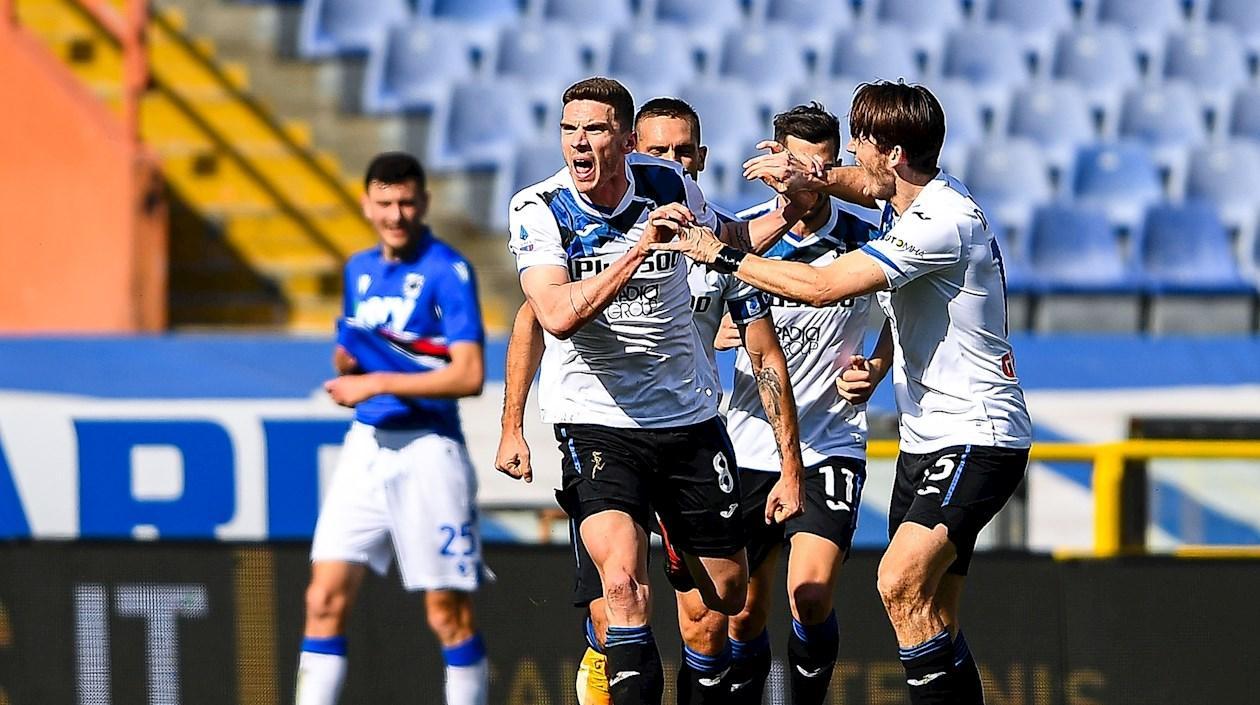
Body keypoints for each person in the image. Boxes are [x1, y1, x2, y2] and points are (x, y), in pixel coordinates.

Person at [656, 81, 1034, 705]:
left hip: (977, 433)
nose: (853, 155)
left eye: (861, 143)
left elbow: (823, 287)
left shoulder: (941, 222)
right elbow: (861, 185)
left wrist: (720, 253)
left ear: (892, 153)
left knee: (898, 583)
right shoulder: (916, 197)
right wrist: (811, 176)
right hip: (926, 438)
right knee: (934, 613)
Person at [496, 96, 807, 705]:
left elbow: (729, 239)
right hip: (595, 420)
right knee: (621, 591)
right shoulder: (539, 207)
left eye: (595, 129)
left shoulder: (668, 185)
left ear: (623, 142)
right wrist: (514, 427)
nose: (579, 142)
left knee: (729, 594)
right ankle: (607, 646)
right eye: (569, 129)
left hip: (687, 419)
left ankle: (676, 550)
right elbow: (549, 316)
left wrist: (794, 205)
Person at [296, 152, 489, 705]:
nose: (396, 215)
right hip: (366, 446)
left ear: (424, 202)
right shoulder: (358, 269)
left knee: (447, 613)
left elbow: (469, 374)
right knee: (323, 600)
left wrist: (377, 383)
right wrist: (349, 362)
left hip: (429, 448)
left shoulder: (447, 270)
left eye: (406, 202)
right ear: (366, 204)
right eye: (384, 203)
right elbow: (364, 349)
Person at [715, 102, 878, 705]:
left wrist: (877, 368)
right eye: (797, 167)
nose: (808, 181)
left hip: (829, 441)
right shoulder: (739, 239)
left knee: (809, 595)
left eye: (822, 168)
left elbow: (905, 317)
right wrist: (714, 332)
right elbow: (687, 325)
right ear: (772, 163)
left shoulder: (868, 240)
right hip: (747, 445)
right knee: (742, 614)